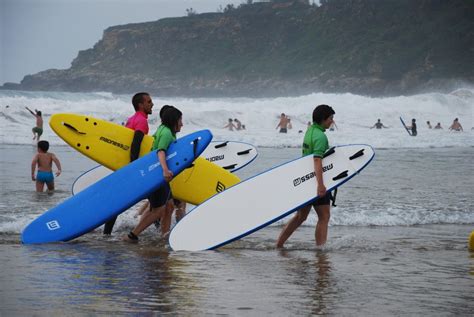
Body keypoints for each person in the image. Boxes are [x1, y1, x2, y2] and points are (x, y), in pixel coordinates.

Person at [276, 104, 335, 249]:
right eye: (330, 118)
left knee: (300, 217)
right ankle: (320, 249)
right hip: (316, 180)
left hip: (306, 179)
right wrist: (320, 185)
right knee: (324, 216)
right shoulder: (320, 136)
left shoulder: (310, 131)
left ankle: (279, 244)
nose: (332, 121)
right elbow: (317, 159)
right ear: (323, 119)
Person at [125, 106, 183, 242]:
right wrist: (164, 170)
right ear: (174, 120)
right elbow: (160, 151)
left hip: (159, 174)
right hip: (157, 175)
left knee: (168, 207)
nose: (182, 123)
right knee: (159, 210)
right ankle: (132, 235)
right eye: (180, 120)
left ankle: (164, 236)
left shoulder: (164, 129)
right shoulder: (167, 133)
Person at [103, 92, 154, 235]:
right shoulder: (141, 121)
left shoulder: (131, 119)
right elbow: (136, 143)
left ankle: (107, 233)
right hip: (131, 167)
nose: (152, 104)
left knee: (118, 201)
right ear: (141, 105)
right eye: (149, 102)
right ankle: (158, 230)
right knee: (156, 199)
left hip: (123, 166)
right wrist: (134, 168)